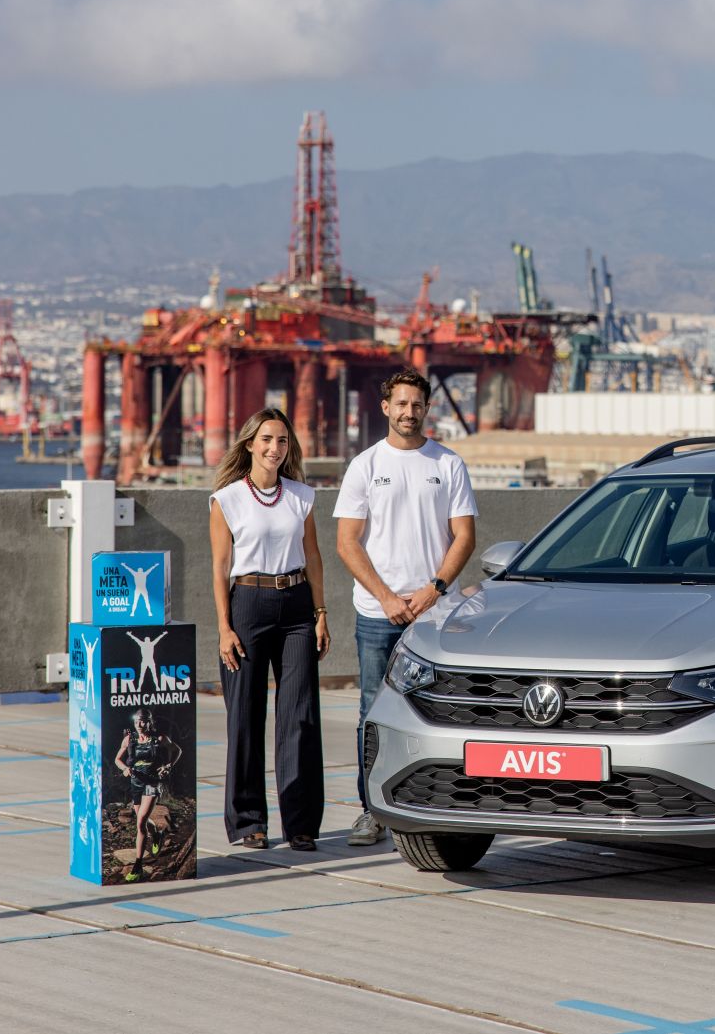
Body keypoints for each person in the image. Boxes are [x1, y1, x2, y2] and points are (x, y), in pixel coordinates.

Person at [335, 369, 478, 847]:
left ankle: (440, 804)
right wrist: (387, 597)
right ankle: (370, 809)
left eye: (417, 404)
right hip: (378, 613)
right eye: (401, 403)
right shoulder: (364, 465)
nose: (409, 412)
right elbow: (347, 543)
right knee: (372, 711)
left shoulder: (449, 463)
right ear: (385, 407)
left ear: (426, 408)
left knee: (443, 710)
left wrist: (433, 590)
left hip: (436, 614)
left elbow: (464, 536)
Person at [209, 406, 329, 852]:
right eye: (266, 440)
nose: (274, 448)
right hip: (248, 605)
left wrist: (321, 613)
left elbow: (313, 557)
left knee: (299, 717)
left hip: (297, 606)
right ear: (249, 444)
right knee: (245, 716)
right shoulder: (227, 499)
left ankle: (300, 824)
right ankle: (247, 823)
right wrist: (224, 627)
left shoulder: (302, 496)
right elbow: (220, 567)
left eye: (282, 441)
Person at [113, 707, 181, 881]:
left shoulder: (159, 739)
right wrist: (125, 769)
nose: (140, 725)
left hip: (152, 783)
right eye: (137, 722)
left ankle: (138, 865)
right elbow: (117, 759)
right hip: (136, 782)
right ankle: (157, 833)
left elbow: (177, 750)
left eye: (143, 721)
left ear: (150, 722)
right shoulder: (129, 739)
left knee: (140, 821)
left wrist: (168, 766)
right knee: (143, 821)